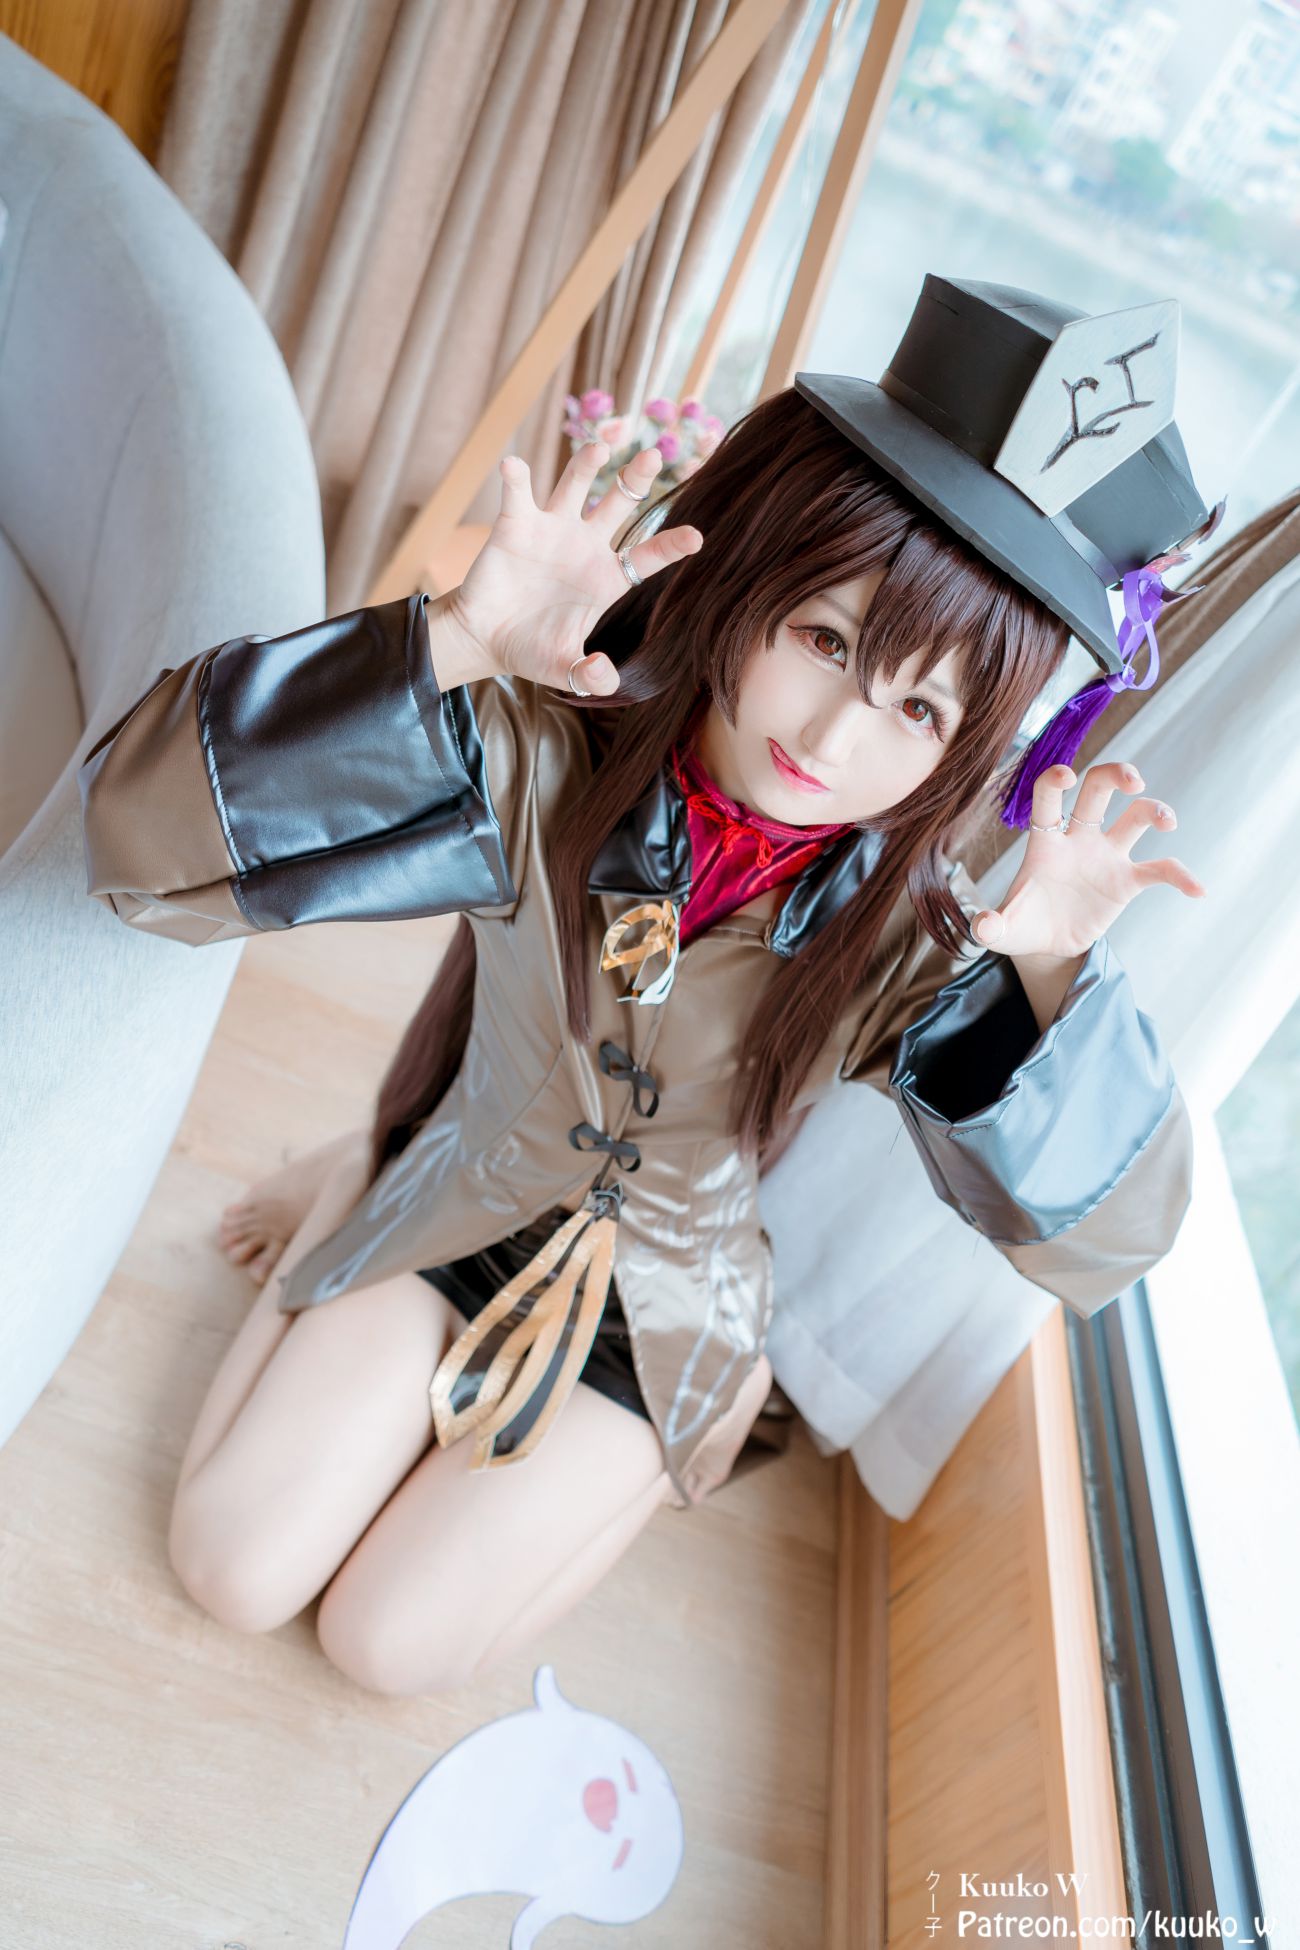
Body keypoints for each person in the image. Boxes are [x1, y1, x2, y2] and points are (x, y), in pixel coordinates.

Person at [76, 276, 1213, 1697]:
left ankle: (712, 1400)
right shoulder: (546, 753)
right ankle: (357, 1170)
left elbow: (1113, 1240)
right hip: (458, 1197)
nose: (836, 737)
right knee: (233, 1567)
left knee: (388, 1647)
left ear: (969, 750)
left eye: (918, 709)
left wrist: (1048, 972)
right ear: (747, 577)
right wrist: (449, 638)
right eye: (825, 640)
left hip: (669, 1307)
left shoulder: (911, 938)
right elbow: (139, 840)